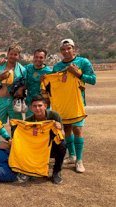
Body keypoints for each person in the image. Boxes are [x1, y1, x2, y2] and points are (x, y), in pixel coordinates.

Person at [52, 39, 96, 173]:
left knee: (78, 129)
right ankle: (71, 156)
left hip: (77, 103)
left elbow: (93, 80)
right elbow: (54, 83)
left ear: (74, 49)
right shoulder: (57, 67)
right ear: (60, 51)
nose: (66, 51)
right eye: (63, 49)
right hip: (63, 104)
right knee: (67, 130)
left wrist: (78, 73)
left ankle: (79, 160)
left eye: (68, 48)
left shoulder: (83, 62)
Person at [14, 95, 66, 184]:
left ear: (45, 106)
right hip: (36, 149)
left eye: (40, 105)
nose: (37, 108)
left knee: (62, 144)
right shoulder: (28, 121)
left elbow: (63, 135)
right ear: (30, 108)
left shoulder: (54, 116)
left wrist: (60, 128)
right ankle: (27, 170)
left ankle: (56, 172)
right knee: (21, 144)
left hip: (50, 148)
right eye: (34, 106)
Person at [0, 44, 26, 125]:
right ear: (7, 54)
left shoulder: (22, 70)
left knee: (16, 126)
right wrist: (0, 77)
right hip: (1, 100)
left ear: (19, 56)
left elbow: (25, 85)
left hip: (15, 101)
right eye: (11, 54)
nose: (13, 56)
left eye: (15, 54)